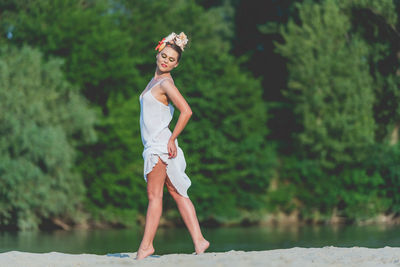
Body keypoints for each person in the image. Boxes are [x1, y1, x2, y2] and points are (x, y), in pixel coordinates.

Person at [136, 32, 210, 260]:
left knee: (154, 196)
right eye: (164, 56)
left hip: (160, 145)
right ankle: (199, 240)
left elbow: (186, 111)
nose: (165, 60)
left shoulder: (166, 83)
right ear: (158, 52)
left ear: (176, 65)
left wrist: (171, 139)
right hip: (156, 144)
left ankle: (146, 246)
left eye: (171, 60)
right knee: (177, 193)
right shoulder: (155, 80)